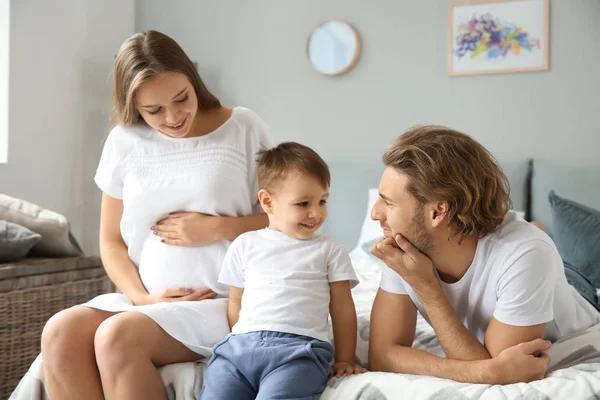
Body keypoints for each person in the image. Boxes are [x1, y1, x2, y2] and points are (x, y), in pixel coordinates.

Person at [40, 30, 272, 400]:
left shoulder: (242, 127)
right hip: (147, 302)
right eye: (154, 110)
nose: (174, 117)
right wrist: (142, 298)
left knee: (117, 337)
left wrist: (219, 228)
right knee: (60, 330)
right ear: (133, 105)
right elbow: (111, 241)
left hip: (222, 302)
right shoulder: (123, 141)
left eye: (182, 98)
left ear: (193, 80)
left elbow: (287, 219)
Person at [368, 125, 600, 385]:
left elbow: (508, 370)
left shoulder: (528, 254)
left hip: (575, 289)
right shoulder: (403, 245)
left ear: (438, 211)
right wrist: (488, 372)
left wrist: (426, 286)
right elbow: (382, 356)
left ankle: (534, 231)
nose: (375, 214)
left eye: (388, 203)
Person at [199, 142, 366, 400]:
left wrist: (344, 358)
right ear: (267, 201)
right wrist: (242, 337)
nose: (316, 213)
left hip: (299, 351)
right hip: (239, 349)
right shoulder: (245, 244)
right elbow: (236, 302)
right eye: (303, 203)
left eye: (322, 201)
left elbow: (343, 308)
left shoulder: (328, 249)